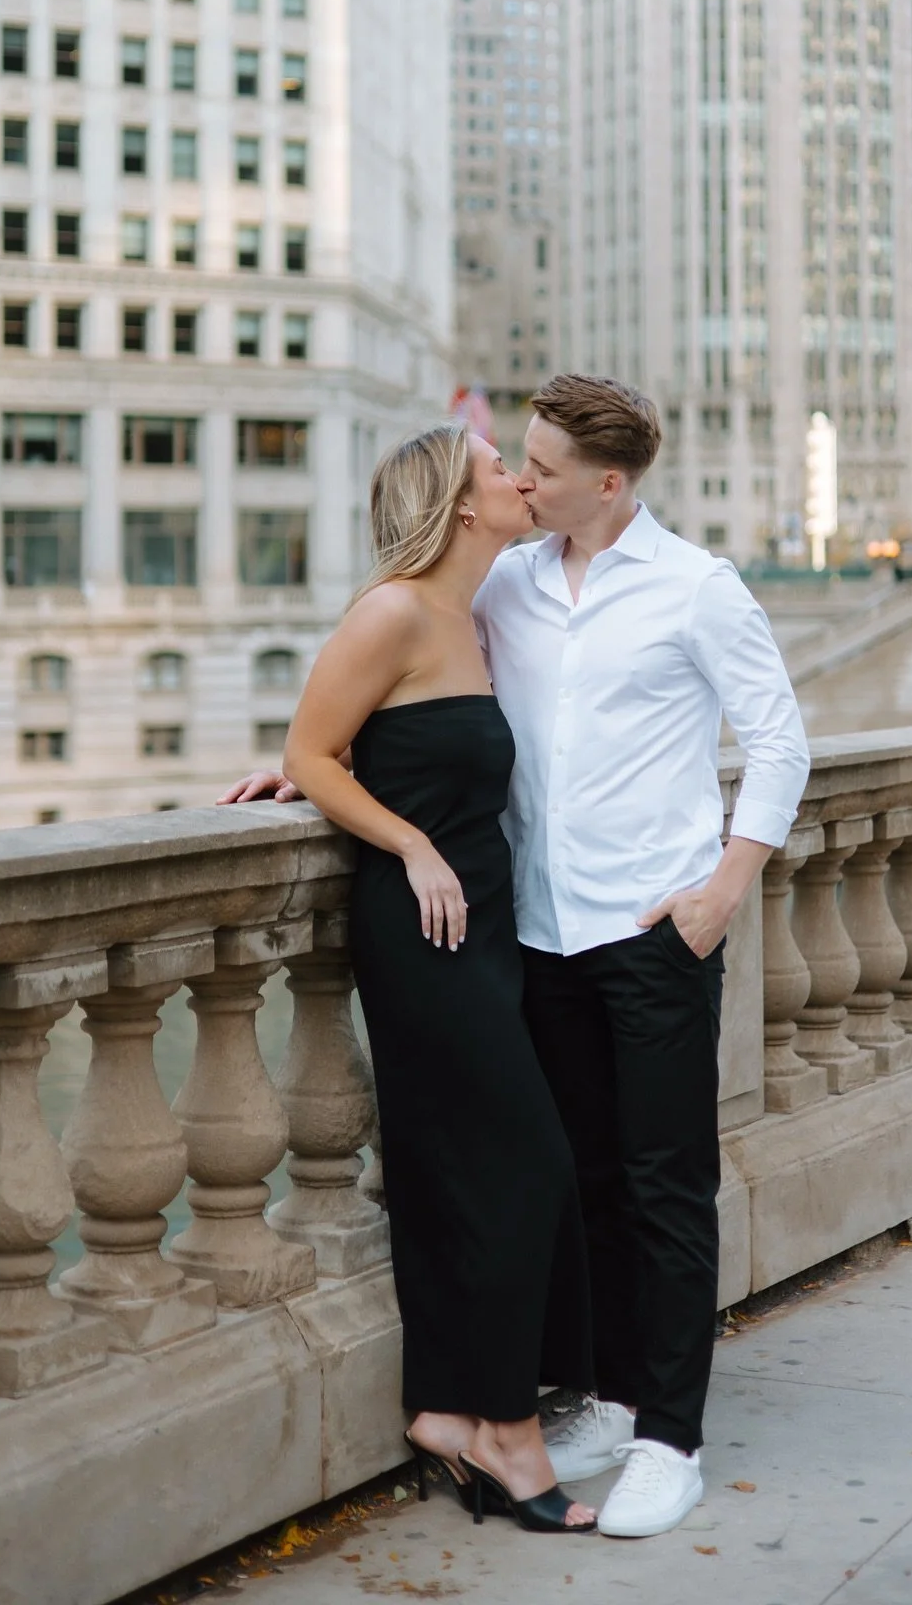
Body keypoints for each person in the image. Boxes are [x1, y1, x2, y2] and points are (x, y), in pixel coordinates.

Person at [223, 374, 810, 1541]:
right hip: (530, 936)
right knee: (575, 1180)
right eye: (514, 461)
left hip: (652, 931)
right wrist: (308, 769)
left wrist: (723, 891)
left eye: (540, 465)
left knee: (663, 1188)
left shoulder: (698, 588)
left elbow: (781, 738)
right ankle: (607, 1395)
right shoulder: (503, 586)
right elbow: (398, 698)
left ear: (608, 481)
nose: (524, 476)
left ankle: (668, 1441)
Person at [273, 422, 597, 1535]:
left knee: (456, 1173)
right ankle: (507, 1430)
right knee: (527, 1166)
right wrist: (407, 842)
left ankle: (447, 1414)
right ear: (461, 504)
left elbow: (366, 746)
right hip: (421, 929)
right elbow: (312, 750)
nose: (518, 477)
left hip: (490, 926)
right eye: (498, 465)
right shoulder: (396, 609)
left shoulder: (478, 611)